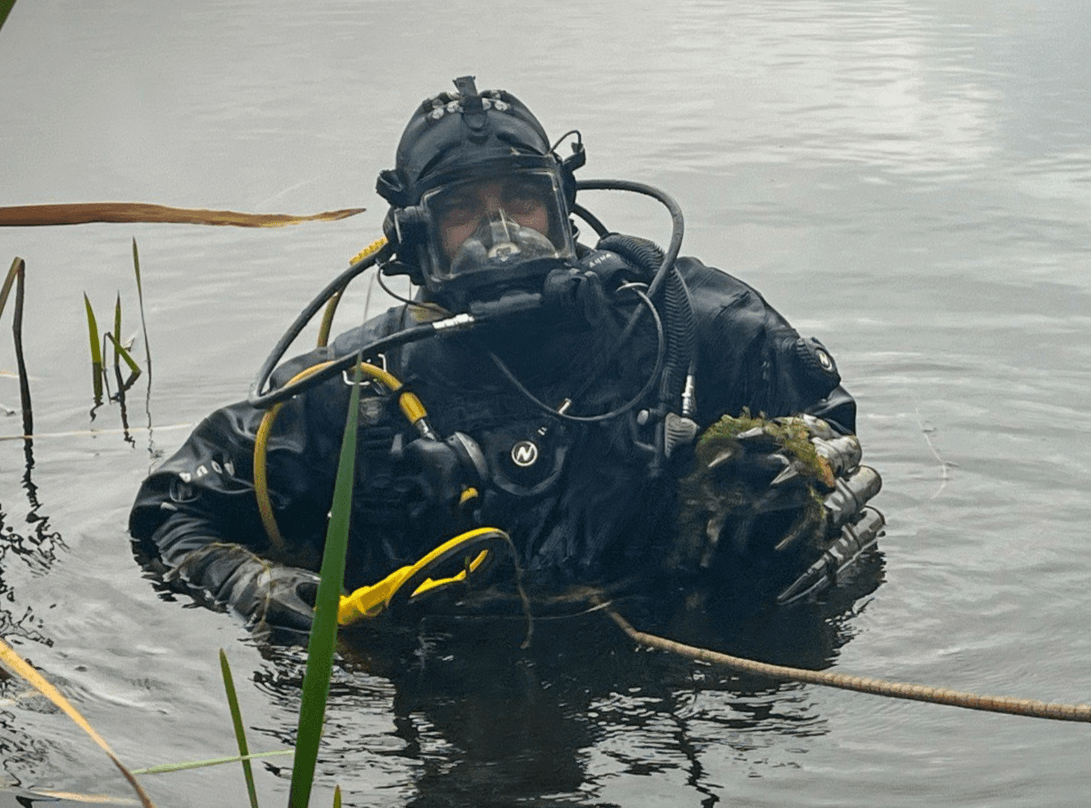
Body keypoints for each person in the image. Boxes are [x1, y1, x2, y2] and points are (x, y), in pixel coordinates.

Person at [129, 77, 882, 638]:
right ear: (418, 237)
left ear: (561, 203)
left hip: (665, 653)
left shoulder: (687, 320)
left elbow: (827, 425)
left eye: (521, 200)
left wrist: (808, 482)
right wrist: (250, 582)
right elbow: (173, 511)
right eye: (463, 211)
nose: (501, 233)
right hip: (445, 670)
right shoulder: (354, 385)